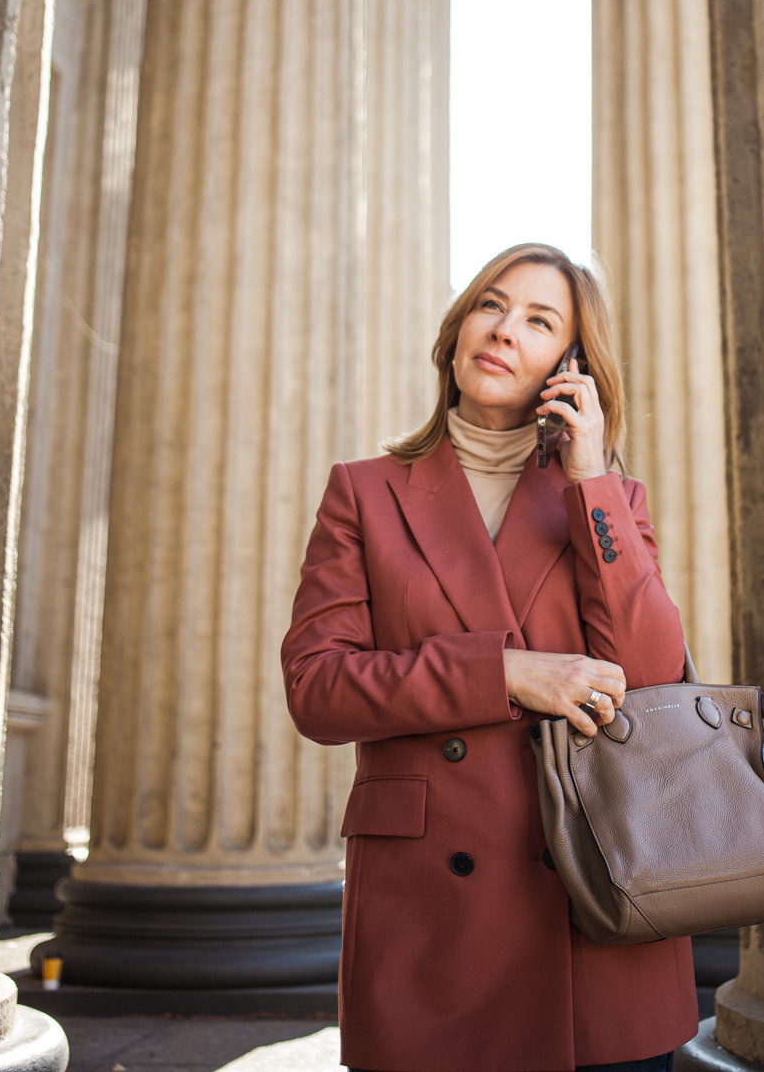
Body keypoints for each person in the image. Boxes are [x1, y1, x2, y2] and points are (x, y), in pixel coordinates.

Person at [281, 242, 699, 1072]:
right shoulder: (365, 492)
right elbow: (318, 689)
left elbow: (650, 675)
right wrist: (503, 673)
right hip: (432, 914)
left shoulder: (610, 503)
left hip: (590, 898)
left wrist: (590, 482)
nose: (505, 329)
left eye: (539, 321)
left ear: (570, 365)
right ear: (457, 329)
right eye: (491, 305)